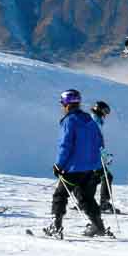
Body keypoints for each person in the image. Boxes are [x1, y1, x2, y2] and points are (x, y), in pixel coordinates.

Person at [43, 89, 113, 239]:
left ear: (67, 104)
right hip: (89, 168)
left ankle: (56, 226)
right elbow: (99, 142)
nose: (62, 107)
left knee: (60, 195)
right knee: (86, 197)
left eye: (63, 103)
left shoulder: (69, 121)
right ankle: (98, 226)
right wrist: (100, 165)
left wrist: (58, 165)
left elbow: (65, 145)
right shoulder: (90, 120)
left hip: (72, 168)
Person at [90, 100, 116, 213]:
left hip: (92, 156)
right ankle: (103, 203)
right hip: (92, 156)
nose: (106, 115)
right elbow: (95, 142)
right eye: (105, 111)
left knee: (94, 178)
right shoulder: (95, 122)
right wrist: (104, 156)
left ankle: (85, 201)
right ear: (100, 110)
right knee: (106, 177)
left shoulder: (95, 121)